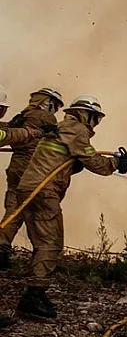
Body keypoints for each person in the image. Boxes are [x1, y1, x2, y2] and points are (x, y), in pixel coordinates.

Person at [14, 95, 127, 320]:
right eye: (96, 118)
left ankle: (35, 288)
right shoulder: (76, 130)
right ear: (86, 114)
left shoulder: (62, 128)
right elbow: (96, 163)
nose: (95, 124)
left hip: (29, 188)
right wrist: (118, 163)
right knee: (51, 243)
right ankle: (33, 297)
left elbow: (59, 160)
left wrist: (74, 165)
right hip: (44, 191)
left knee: (41, 242)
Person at [0, 87, 63, 270]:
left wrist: (10, 125)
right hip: (31, 171)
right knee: (42, 213)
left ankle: (2, 246)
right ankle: (46, 257)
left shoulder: (23, 116)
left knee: (13, 207)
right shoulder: (46, 118)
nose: (56, 111)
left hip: (15, 168)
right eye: (55, 106)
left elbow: (9, 134)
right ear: (48, 103)